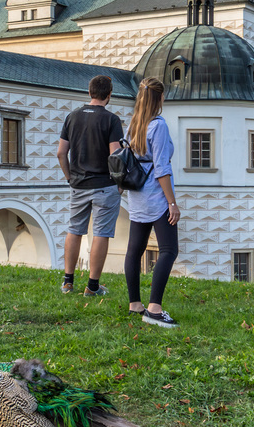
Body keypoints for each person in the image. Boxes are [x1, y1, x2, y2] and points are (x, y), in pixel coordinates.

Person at [57, 75, 124, 296]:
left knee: (75, 230)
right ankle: (93, 287)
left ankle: (68, 282)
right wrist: (120, 183)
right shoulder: (111, 120)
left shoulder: (72, 117)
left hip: (78, 184)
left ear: (89, 92)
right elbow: (115, 155)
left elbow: (61, 153)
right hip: (105, 185)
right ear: (109, 94)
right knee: (101, 233)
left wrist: (70, 178)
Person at [123, 77, 181, 328]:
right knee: (169, 249)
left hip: (136, 193)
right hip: (156, 195)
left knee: (135, 249)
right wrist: (172, 202)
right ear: (159, 98)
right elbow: (162, 168)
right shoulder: (159, 126)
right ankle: (154, 309)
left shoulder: (134, 124)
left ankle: (135, 303)